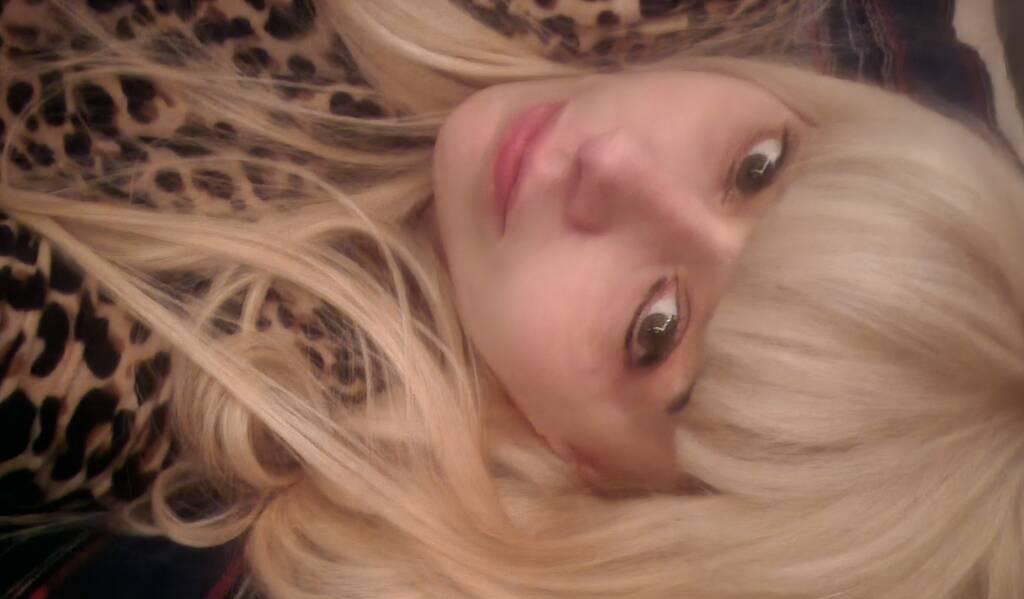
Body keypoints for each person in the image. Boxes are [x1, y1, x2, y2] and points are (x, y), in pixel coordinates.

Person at [2, 1, 1023, 598]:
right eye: (759, 164)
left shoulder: (129, 415)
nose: (614, 164)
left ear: (587, 475)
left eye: (656, 329)